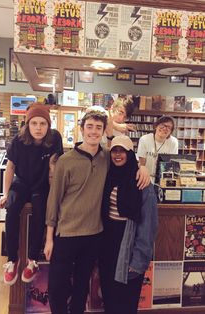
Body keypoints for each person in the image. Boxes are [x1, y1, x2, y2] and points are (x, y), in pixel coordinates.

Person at [44, 110, 150, 314]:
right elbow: (53, 200)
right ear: (81, 129)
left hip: (94, 235)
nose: (93, 132)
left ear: (103, 131)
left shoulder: (106, 158)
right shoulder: (66, 161)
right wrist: (49, 238)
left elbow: (127, 160)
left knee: (82, 287)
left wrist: (142, 168)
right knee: (57, 287)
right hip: (66, 233)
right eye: (89, 127)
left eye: (98, 128)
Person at [0, 102, 63, 286]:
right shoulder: (18, 140)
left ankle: (33, 259)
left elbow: (54, 166)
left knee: (40, 212)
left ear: (48, 125)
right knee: (11, 211)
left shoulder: (55, 138)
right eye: (34, 123)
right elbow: (10, 167)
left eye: (43, 124)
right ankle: (12, 259)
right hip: (21, 182)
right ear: (28, 124)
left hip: (41, 184)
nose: (38, 128)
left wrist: (55, 192)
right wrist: (5, 193)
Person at [99, 135, 158, 314]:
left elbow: (148, 225)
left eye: (122, 151)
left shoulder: (141, 181)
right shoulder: (107, 176)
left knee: (127, 299)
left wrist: (139, 258)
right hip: (108, 244)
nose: (118, 155)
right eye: (114, 151)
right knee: (109, 295)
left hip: (129, 243)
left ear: (130, 154)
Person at [137, 115, 178, 182]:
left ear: (171, 131)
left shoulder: (173, 142)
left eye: (169, 127)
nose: (165, 128)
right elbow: (142, 165)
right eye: (163, 125)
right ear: (156, 126)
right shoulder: (144, 139)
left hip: (164, 178)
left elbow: (172, 163)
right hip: (146, 176)